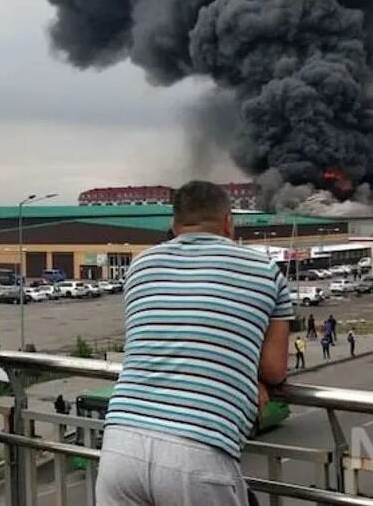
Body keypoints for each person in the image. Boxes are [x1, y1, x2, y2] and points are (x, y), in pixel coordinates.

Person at [96, 181, 291, 506]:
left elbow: (158, 339)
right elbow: (274, 371)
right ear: (229, 221)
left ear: (174, 225)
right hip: (199, 450)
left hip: (121, 444)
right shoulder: (265, 271)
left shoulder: (140, 266)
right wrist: (243, 374)